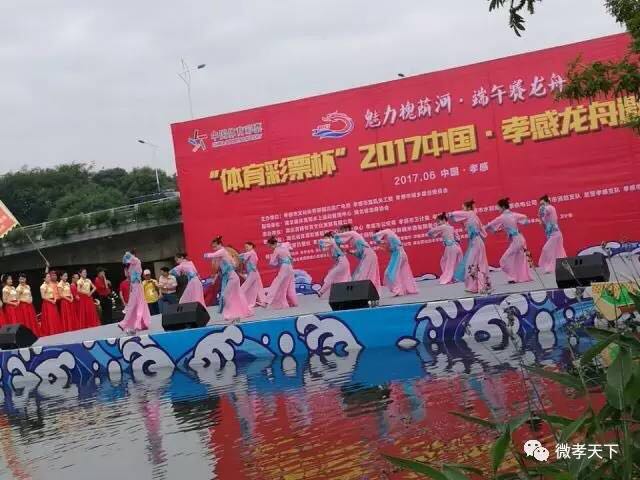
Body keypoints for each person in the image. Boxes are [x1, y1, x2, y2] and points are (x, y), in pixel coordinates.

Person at [486, 197, 534, 284]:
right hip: (520, 239)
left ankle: (512, 277)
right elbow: (525, 218)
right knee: (519, 259)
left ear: (503, 207)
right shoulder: (513, 214)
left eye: (498, 207)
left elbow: (490, 225)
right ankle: (521, 277)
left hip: (516, 241)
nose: (498, 209)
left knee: (504, 260)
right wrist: (510, 229)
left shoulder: (502, 217)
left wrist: (482, 229)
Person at [204, 236, 253, 321]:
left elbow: (212, 255)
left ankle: (229, 314)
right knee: (237, 295)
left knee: (225, 295)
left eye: (215, 246)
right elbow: (224, 266)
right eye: (213, 247)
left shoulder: (222, 251)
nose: (214, 248)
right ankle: (244, 311)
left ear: (220, 244)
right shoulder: (222, 253)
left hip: (232, 278)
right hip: (231, 277)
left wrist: (205, 255)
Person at [449, 200, 491, 294]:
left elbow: (453, 214)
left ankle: (477, 287)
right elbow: (483, 231)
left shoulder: (469, 214)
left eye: (463, 207)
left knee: (471, 264)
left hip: (476, 242)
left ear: (468, 208)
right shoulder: (474, 215)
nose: (462, 209)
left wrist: (449, 215)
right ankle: (480, 286)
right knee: (477, 264)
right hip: (477, 242)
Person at [334, 224, 381, 292]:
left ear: (346, 230)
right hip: (366, 255)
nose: (341, 232)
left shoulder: (353, 233)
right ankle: (365, 291)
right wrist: (350, 252)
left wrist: (333, 236)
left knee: (363, 274)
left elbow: (339, 238)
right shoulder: (352, 238)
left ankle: (365, 291)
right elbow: (359, 253)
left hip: (369, 255)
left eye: (342, 231)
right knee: (363, 274)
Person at [372, 229, 418, 297]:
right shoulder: (389, 237)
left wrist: (378, 240)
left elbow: (375, 237)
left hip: (398, 255)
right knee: (402, 273)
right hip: (401, 254)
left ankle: (398, 290)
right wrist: (381, 244)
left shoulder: (388, 233)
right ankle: (407, 289)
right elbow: (389, 249)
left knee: (391, 274)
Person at [118, 250, 151, 334]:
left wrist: (127, 254)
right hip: (134, 286)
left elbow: (128, 258)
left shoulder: (136, 261)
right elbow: (125, 261)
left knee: (135, 305)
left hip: (137, 285)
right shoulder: (132, 264)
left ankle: (128, 324)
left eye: (131, 256)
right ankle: (134, 324)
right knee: (136, 305)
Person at [427, 213, 464, 285]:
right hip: (456, 247)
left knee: (448, 263)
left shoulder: (443, 227)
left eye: (438, 221)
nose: (438, 223)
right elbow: (458, 238)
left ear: (444, 220)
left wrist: (432, 230)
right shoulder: (451, 227)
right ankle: (454, 277)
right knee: (449, 262)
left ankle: (448, 279)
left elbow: (430, 232)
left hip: (450, 247)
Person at [265, 236, 298, 309]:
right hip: (290, 267)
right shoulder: (285, 244)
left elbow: (271, 263)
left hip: (284, 267)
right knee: (288, 286)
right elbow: (290, 249)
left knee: (276, 283)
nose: (270, 248)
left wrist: (278, 263)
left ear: (273, 244)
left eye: (270, 246)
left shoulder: (276, 250)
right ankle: (294, 302)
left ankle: (267, 301)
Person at [538, 194, 567, 273]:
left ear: (547, 202)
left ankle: (549, 267)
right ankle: (561, 266)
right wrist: (541, 218)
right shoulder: (545, 213)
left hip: (556, 234)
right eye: (540, 204)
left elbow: (545, 211)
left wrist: (541, 210)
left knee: (546, 249)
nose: (542, 205)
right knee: (559, 252)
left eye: (543, 203)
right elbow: (544, 222)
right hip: (552, 234)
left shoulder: (550, 208)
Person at [317, 232, 351, 298]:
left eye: (326, 238)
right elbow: (323, 248)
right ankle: (322, 292)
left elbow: (322, 242)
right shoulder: (332, 244)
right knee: (340, 278)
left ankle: (321, 292)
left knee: (331, 276)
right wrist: (320, 245)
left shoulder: (332, 241)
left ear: (330, 237)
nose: (325, 240)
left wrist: (321, 242)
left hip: (342, 262)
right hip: (341, 262)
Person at [238, 242, 267, 307]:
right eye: (245, 247)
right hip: (253, 272)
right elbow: (243, 257)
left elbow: (242, 256)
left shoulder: (251, 253)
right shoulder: (251, 253)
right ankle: (259, 302)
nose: (246, 248)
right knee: (255, 288)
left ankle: (238, 300)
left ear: (251, 246)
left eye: (247, 247)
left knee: (245, 286)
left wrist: (235, 256)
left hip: (252, 273)